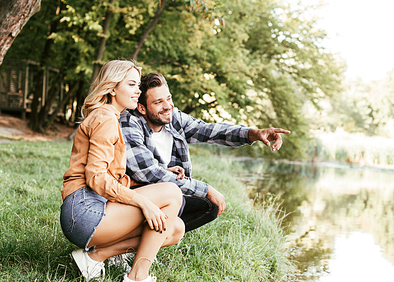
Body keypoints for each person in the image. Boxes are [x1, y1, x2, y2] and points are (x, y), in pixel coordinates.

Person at [60, 60, 185, 282]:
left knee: (175, 228)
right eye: (132, 84)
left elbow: (109, 176)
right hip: (84, 213)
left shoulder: (109, 117)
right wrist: (143, 202)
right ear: (112, 88)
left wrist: (156, 179)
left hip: (88, 210)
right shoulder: (106, 118)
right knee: (171, 192)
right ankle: (137, 280)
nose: (138, 91)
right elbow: (96, 177)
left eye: (138, 85)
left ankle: (97, 256)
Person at [119, 72, 290, 232]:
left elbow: (209, 130)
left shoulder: (173, 119)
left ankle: (155, 236)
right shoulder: (130, 122)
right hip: (134, 198)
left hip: (166, 195)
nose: (167, 106)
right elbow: (148, 173)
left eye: (168, 99)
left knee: (209, 205)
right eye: (158, 102)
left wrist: (253, 134)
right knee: (202, 196)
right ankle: (122, 240)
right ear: (142, 108)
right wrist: (206, 188)